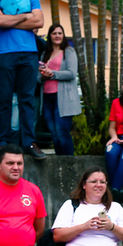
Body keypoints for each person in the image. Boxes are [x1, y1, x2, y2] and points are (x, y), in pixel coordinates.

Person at [0, 0, 45, 159]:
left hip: (29, 53)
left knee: (26, 99)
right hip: (5, 53)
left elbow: (40, 21)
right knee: (4, 99)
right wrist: (25, 17)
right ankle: (2, 142)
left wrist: (8, 20)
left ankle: (29, 142)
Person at [39, 24, 79, 156]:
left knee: (62, 133)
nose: (57, 36)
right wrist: (43, 76)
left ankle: (69, 163)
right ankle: (59, 163)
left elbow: (72, 73)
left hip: (63, 98)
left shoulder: (69, 51)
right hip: (47, 97)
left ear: (63, 35)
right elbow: (39, 76)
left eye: (60, 33)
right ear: (49, 36)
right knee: (54, 135)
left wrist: (52, 73)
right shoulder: (45, 53)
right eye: (54, 33)